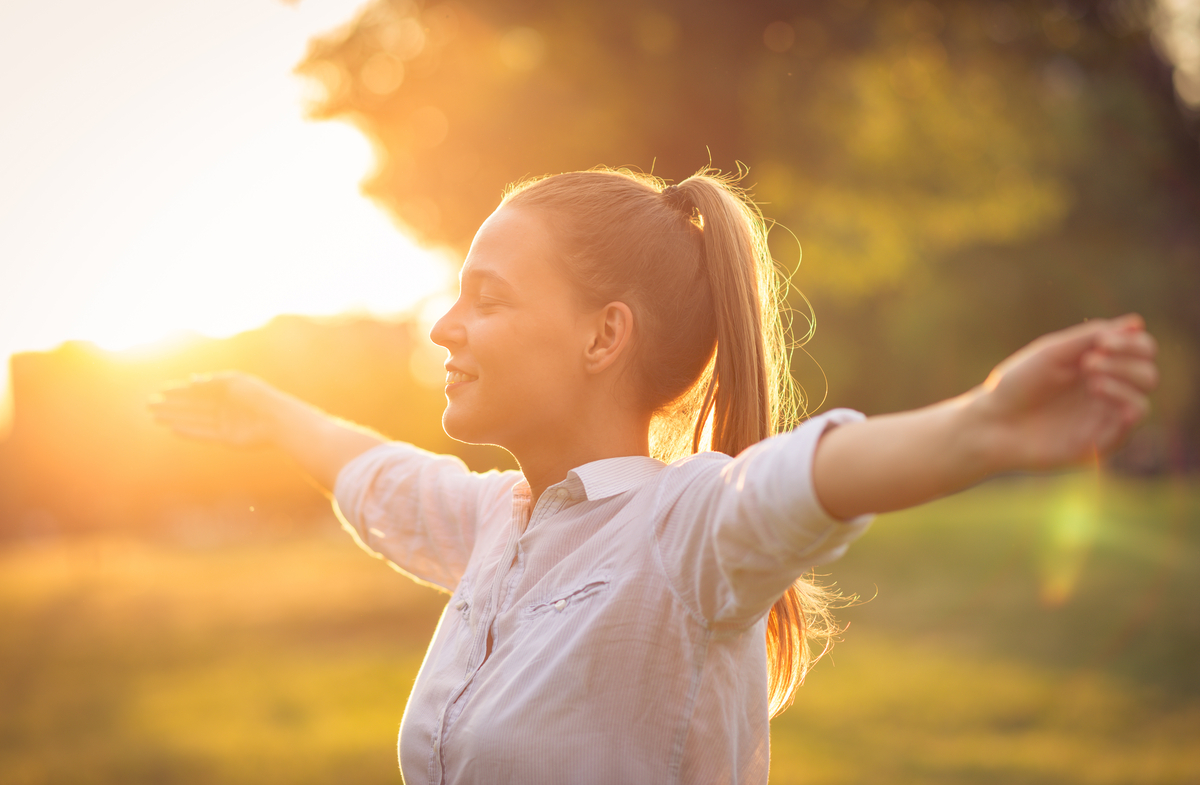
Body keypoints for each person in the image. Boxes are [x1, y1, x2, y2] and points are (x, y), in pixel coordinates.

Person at [149, 168, 1158, 784]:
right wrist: (268, 411)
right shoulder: (501, 524)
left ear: (603, 336)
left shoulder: (683, 533)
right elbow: (387, 482)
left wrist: (983, 424)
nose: (445, 328)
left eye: (486, 298)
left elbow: (811, 477)